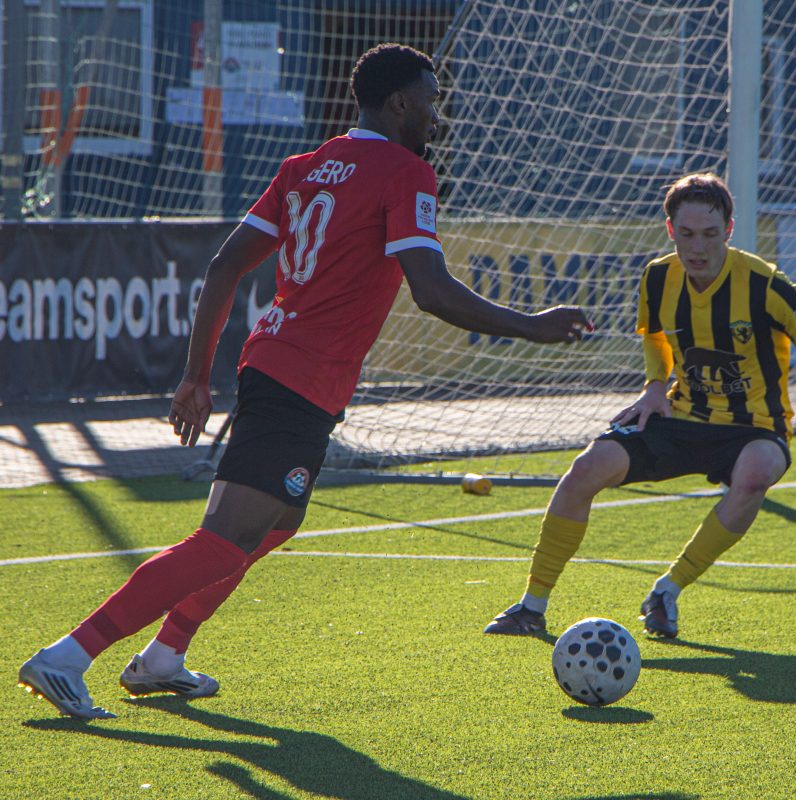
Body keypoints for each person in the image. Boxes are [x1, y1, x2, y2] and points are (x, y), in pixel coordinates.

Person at [18, 44, 592, 719]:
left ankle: (165, 655)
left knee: (277, 522)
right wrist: (533, 325)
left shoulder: (304, 167)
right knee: (223, 538)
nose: (439, 115)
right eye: (432, 100)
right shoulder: (406, 172)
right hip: (300, 378)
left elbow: (225, 267)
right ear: (399, 103)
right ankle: (68, 656)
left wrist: (197, 376)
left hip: (281, 367)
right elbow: (431, 291)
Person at [483, 172, 796, 639]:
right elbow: (654, 333)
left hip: (754, 426)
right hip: (680, 413)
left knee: (755, 473)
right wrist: (655, 384)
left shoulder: (766, 284)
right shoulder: (658, 276)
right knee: (585, 469)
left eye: (710, 234)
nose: (698, 247)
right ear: (670, 230)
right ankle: (531, 608)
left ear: (728, 230)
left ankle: (667, 590)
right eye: (687, 234)